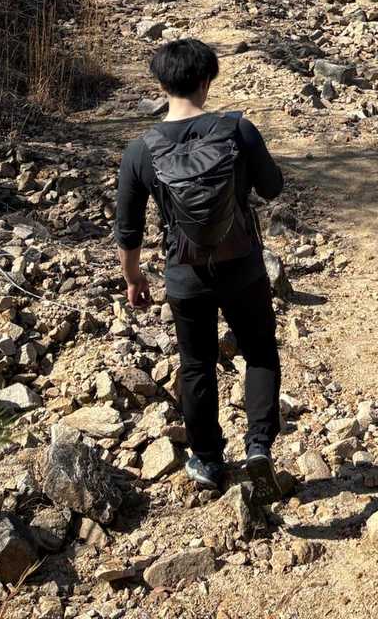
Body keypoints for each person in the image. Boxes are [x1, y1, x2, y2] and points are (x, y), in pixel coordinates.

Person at [114, 37, 284, 494]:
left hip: (185, 275)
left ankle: (208, 460)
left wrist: (133, 277)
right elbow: (272, 188)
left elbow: (128, 231)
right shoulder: (237, 129)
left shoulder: (141, 150)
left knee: (196, 365)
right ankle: (259, 447)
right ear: (207, 80)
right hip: (243, 265)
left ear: (161, 85)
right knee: (259, 351)